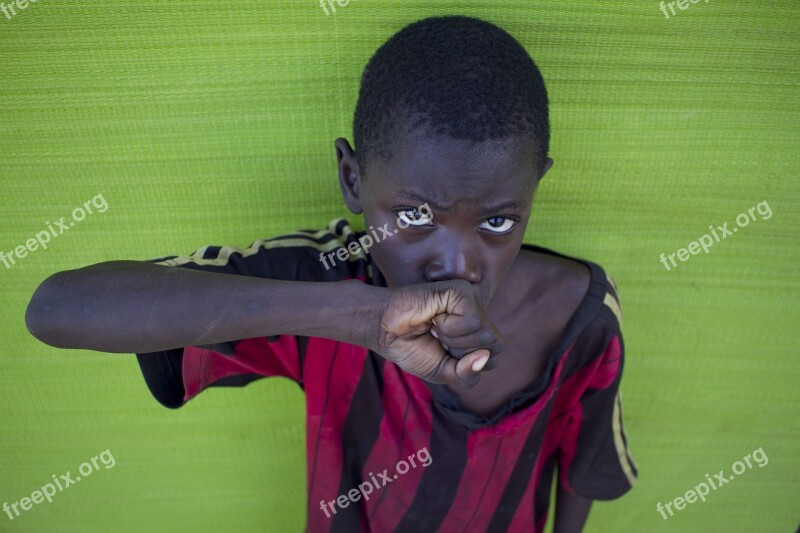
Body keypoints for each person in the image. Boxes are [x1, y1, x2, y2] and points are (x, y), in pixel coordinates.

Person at [25, 15, 636, 532]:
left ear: (533, 190)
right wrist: (362, 318)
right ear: (352, 179)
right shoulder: (324, 278)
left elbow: (582, 465)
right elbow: (55, 309)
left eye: (499, 222)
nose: (458, 267)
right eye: (415, 216)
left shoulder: (582, 315)